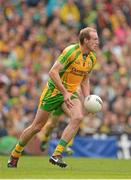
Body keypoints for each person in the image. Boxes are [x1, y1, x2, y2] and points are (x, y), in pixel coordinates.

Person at [7, 27, 99, 168]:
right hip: (54, 91)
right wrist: (64, 92)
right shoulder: (71, 52)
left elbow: (85, 79)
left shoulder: (92, 58)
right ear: (85, 40)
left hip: (71, 92)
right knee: (37, 127)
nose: (97, 42)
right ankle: (15, 153)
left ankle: (56, 154)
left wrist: (87, 100)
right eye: (95, 39)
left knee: (78, 117)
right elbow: (52, 72)